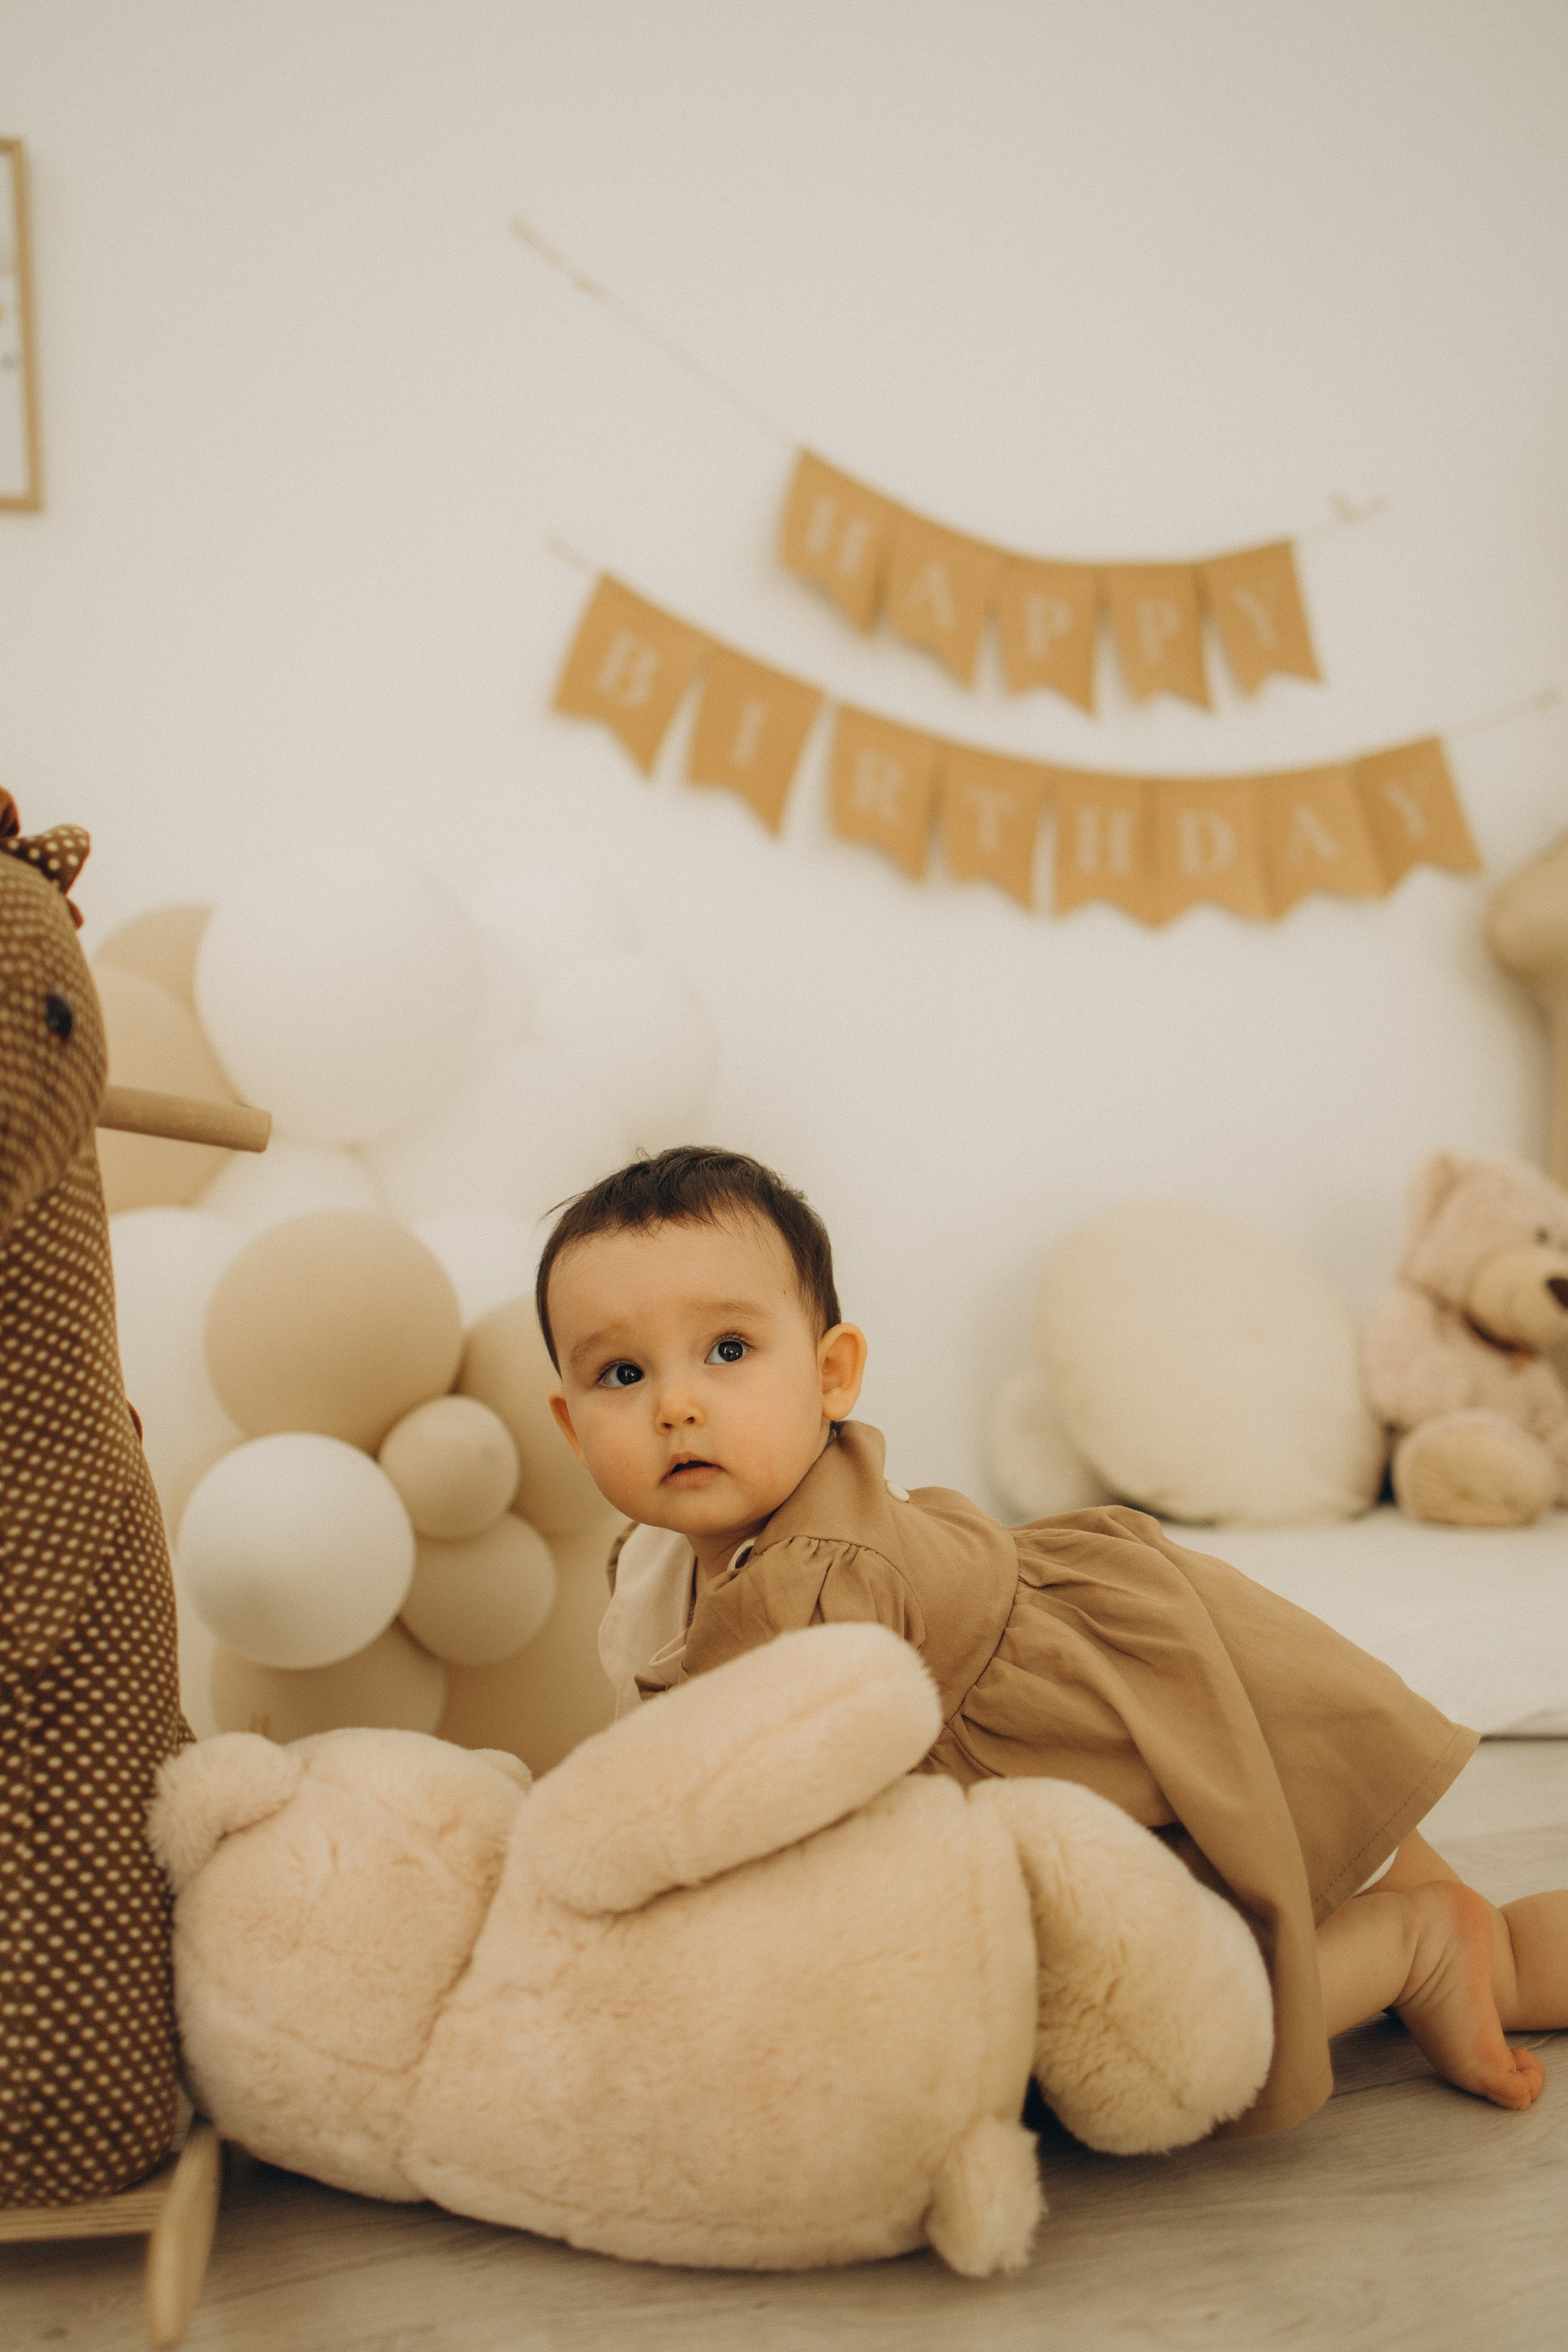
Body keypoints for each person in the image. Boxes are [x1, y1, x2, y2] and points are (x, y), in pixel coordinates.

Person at [538, 1144, 1568, 2140]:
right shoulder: (652, 1566)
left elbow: (788, 1845)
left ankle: (1413, 1946)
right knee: (1485, 1949)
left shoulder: (818, 1578)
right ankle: (1460, 1945)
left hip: (1125, 1731)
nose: (676, 1405)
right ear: (571, 1424)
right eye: (622, 1373)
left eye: (727, 1351)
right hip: (1100, 1682)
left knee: (1155, 2031)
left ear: (833, 1375)